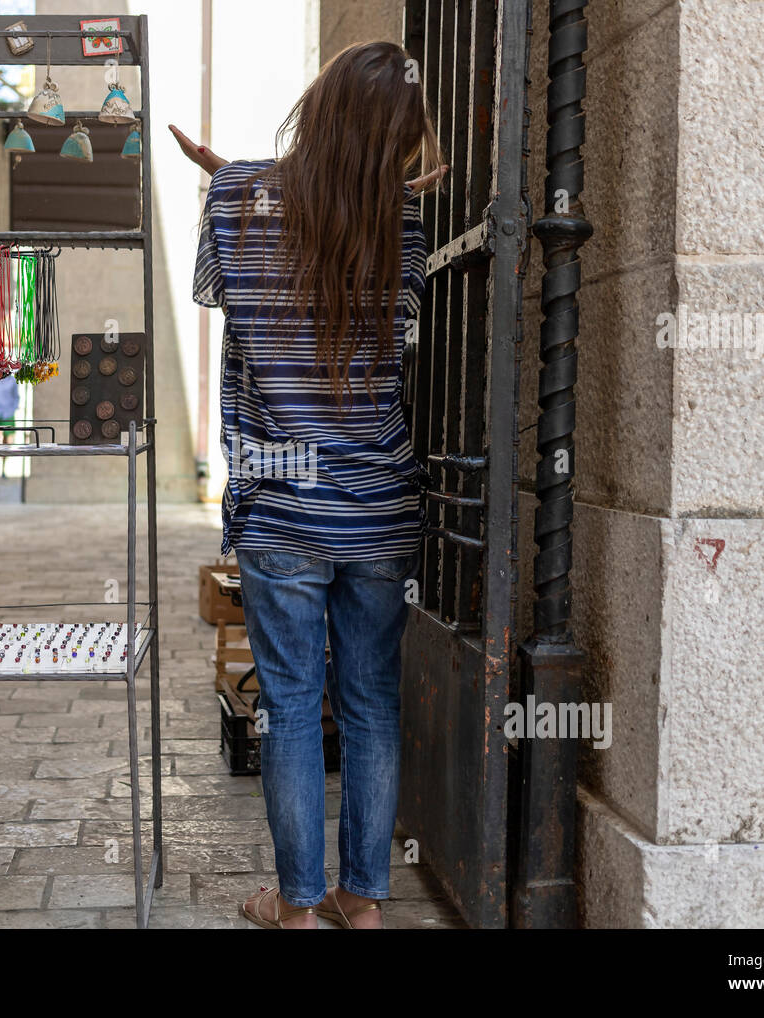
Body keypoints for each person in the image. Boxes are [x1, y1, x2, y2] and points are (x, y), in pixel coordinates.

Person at [176, 40, 446, 930]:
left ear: (320, 106)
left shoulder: (235, 201)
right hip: (376, 506)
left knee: (290, 711)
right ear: (398, 140)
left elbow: (238, 253)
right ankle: (360, 905)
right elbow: (378, 265)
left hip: (281, 507)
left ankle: (295, 913)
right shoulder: (403, 224)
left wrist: (229, 175)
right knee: (370, 704)